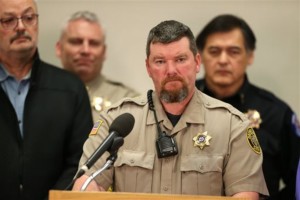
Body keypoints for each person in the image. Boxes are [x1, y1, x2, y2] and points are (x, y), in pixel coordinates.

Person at [72, 20, 269, 199]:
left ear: (197, 62)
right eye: (160, 62)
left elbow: (245, 196)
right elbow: (84, 186)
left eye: (180, 59)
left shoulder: (232, 125)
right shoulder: (116, 121)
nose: (171, 70)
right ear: (148, 68)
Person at [195, 14, 300, 199]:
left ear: (250, 56)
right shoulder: (181, 103)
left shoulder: (275, 113)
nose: (223, 60)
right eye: (214, 51)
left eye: (233, 51)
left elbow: (297, 182)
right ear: (200, 56)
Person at [0, 0, 93, 199]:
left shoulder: (70, 89)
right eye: (8, 20)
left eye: (29, 17)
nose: (21, 26)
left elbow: (80, 161)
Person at [56, 11, 140, 122]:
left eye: (94, 43)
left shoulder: (126, 100)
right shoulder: (38, 92)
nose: (85, 50)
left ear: (104, 52)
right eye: (76, 42)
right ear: (59, 48)